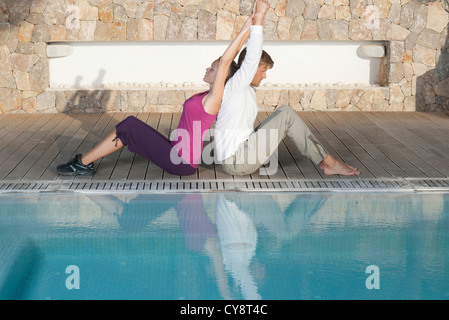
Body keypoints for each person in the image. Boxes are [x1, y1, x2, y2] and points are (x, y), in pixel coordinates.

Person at [56, 11, 258, 176]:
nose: (208, 69)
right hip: (176, 151)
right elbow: (228, 63)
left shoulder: (214, 99)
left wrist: (243, 31)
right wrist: (246, 33)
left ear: (221, 77)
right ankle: (83, 162)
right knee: (130, 126)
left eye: (213, 70)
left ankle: (82, 163)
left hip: (182, 162)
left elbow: (225, 62)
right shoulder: (207, 94)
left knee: (129, 125)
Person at [213, 2, 360, 177]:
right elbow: (250, 56)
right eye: (262, 71)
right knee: (287, 116)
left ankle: (327, 160)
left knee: (284, 111)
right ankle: (328, 162)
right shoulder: (237, 85)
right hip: (237, 161)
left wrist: (248, 29)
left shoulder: (238, 87)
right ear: (250, 70)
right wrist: (259, 18)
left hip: (239, 156)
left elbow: (236, 54)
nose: (264, 76)